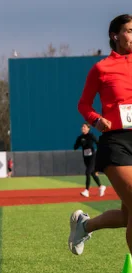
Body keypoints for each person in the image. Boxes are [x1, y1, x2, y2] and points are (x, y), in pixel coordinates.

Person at [69, 14, 132, 256]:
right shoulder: (102, 68)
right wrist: (96, 120)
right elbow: (83, 104)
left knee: (128, 215)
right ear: (114, 35)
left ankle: (84, 225)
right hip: (116, 143)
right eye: (129, 30)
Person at [73, 122, 106, 197]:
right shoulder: (80, 137)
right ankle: (101, 186)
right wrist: (80, 143)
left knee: (87, 172)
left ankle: (86, 191)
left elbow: (98, 143)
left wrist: (100, 152)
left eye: (84, 127)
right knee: (92, 173)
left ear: (88, 128)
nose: (82, 128)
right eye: (82, 127)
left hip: (92, 157)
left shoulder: (91, 135)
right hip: (86, 157)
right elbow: (75, 147)